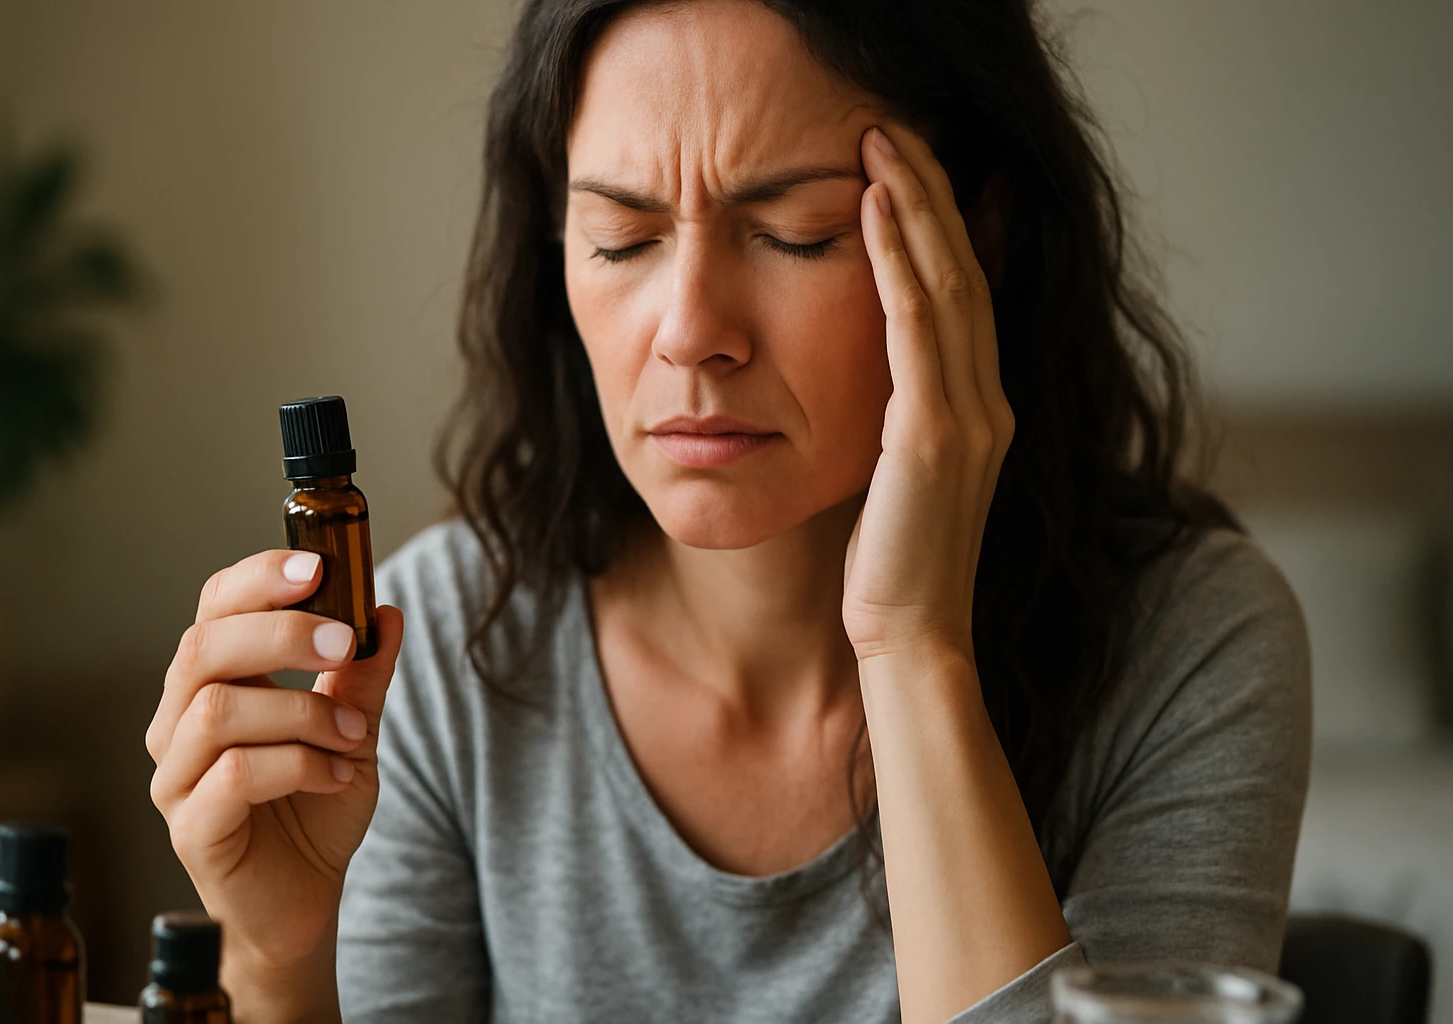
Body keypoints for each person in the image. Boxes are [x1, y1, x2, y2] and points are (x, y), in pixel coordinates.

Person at [145, 1, 1312, 1021]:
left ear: (979, 238)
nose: (691, 329)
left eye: (793, 232)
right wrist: (278, 959)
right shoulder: (449, 640)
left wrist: (912, 650)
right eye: (623, 237)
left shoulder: (1191, 645)